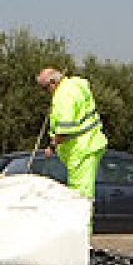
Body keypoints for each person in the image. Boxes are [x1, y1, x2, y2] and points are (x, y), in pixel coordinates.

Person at [35, 67, 109, 200]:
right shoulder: (76, 84)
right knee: (81, 192)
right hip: (90, 143)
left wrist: (52, 146)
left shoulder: (63, 96)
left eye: (45, 88)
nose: (46, 92)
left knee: (80, 196)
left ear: (53, 82)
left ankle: (84, 221)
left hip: (81, 150)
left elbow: (65, 129)